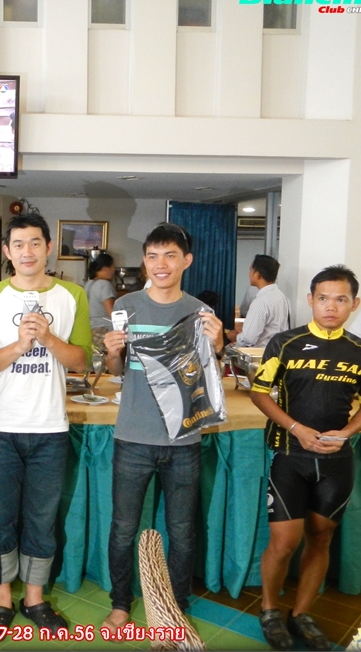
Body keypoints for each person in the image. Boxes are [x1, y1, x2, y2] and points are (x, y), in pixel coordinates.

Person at [0, 213, 92, 637]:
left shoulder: (72, 295)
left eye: (35, 243)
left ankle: (35, 597)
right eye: (19, 244)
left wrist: (49, 340)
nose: (27, 252)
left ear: (48, 248)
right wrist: (19, 344)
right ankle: (2, 598)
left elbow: (81, 361)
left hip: (50, 428)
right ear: (7, 251)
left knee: (42, 518)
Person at [100, 222, 224, 635]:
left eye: (170, 255)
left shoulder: (201, 313)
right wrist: (111, 353)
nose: (161, 264)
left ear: (186, 261)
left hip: (184, 439)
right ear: (144, 261)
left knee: (182, 532)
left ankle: (176, 605)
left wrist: (218, 347)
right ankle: (121, 603)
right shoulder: (126, 305)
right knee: (123, 528)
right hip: (132, 437)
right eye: (153, 256)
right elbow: (116, 371)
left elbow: (207, 379)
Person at [250, 265, 361, 651]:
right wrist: (296, 428)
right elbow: (259, 393)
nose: (331, 306)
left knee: (321, 538)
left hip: (336, 462)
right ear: (310, 300)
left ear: (354, 303)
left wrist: (346, 433)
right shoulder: (285, 343)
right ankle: (270, 611)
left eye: (341, 299)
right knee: (284, 542)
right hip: (291, 456)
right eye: (323, 298)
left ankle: (302, 613)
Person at [227, 254, 291, 348]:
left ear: (257, 275)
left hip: (261, 353)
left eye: (250, 270)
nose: (249, 274)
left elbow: (248, 339)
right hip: (277, 350)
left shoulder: (261, 301)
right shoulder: (281, 297)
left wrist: (235, 336)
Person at [84, 253, 117, 349]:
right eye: (112, 267)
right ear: (105, 268)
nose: (114, 270)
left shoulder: (88, 284)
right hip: (102, 330)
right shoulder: (104, 285)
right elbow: (112, 313)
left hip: (88, 329)